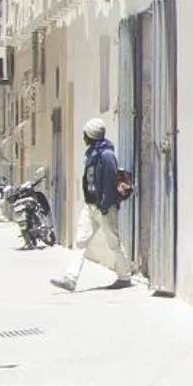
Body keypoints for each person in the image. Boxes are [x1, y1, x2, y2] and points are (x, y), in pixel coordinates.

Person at [63, 118, 136, 291]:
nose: (84, 137)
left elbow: (110, 181)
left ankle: (124, 276)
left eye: (85, 134)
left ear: (91, 135)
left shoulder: (107, 155)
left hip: (104, 207)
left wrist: (105, 204)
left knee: (113, 243)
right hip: (90, 206)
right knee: (80, 241)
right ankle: (70, 278)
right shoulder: (92, 154)